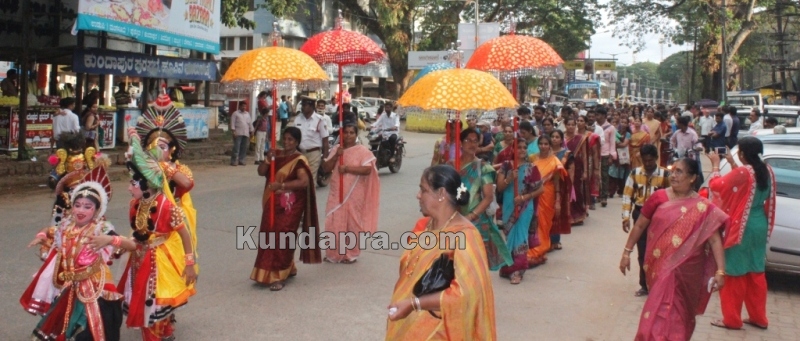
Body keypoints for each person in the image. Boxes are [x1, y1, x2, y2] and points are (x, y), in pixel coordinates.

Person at [619, 157, 727, 340]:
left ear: (692, 177)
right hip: (661, 268)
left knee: (680, 315)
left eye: (679, 172)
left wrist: (721, 271)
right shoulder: (659, 197)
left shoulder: (703, 207)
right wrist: (626, 252)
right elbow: (639, 226)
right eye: (672, 171)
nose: (673, 175)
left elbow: (715, 241)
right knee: (657, 311)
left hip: (688, 271)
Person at [386, 165, 497, 340]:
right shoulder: (422, 227)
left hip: (440, 329)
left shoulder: (465, 236)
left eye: (423, 190)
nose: (418, 195)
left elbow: (467, 293)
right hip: (407, 319)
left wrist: (415, 304)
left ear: (441, 194)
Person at [21, 167, 124, 341]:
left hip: (96, 288)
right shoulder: (66, 227)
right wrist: (41, 236)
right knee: (65, 326)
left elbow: (129, 244)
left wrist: (110, 241)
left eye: (87, 206)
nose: (80, 210)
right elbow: (50, 230)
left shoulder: (101, 229)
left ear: (97, 210)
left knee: (90, 329)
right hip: (71, 286)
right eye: (77, 205)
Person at [118, 131, 198, 341]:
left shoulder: (173, 173)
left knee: (162, 290)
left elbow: (187, 185)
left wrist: (189, 262)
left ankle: (160, 326)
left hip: (168, 234)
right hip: (144, 242)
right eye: (154, 145)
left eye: (163, 145)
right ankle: (162, 327)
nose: (157, 149)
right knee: (146, 293)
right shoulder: (136, 202)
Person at [708, 137, 777, 330]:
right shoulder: (767, 170)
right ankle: (759, 318)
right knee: (755, 271)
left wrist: (715, 166)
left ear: (742, 154)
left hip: (742, 226)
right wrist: (731, 163)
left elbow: (718, 186)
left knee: (734, 271)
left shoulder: (743, 172)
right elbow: (743, 186)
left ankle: (731, 319)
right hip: (758, 224)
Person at [252, 127, 322, 290]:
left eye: (291, 139)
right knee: (268, 234)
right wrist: (268, 160)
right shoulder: (276, 154)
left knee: (284, 235)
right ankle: (281, 268)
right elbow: (261, 172)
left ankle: (279, 276)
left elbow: (303, 182)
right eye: (285, 138)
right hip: (271, 201)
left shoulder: (299, 159)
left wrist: (281, 185)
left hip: (289, 204)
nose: (287, 142)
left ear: (297, 142)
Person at [454, 128, 513, 270]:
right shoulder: (451, 166)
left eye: (475, 141)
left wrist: (470, 216)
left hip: (477, 221)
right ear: (460, 143)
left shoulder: (483, 168)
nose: (472, 144)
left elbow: (488, 197)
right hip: (454, 218)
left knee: (475, 264)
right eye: (468, 140)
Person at [321, 124, 380, 263]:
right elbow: (326, 168)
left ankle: (350, 253)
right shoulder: (336, 149)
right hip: (337, 190)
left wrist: (347, 168)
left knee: (352, 222)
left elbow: (367, 170)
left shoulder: (362, 151)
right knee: (333, 218)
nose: (348, 135)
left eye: (351, 132)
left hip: (354, 191)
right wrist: (336, 156)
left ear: (356, 134)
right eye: (345, 132)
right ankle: (334, 253)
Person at [621, 144, 670, 297]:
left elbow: (672, 196)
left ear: (656, 158)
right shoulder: (634, 174)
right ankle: (645, 285)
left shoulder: (665, 175)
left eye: (650, 160)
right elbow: (627, 195)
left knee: (660, 251)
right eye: (645, 160)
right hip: (640, 213)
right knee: (642, 252)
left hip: (660, 216)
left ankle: (659, 283)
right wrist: (626, 217)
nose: (648, 164)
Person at [496, 139, 548, 284]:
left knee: (520, 238)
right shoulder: (506, 166)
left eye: (525, 147)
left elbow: (540, 189)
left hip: (525, 208)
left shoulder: (531, 167)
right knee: (509, 237)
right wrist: (509, 179)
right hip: (508, 207)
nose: (522, 150)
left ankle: (517, 271)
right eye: (519, 147)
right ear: (513, 149)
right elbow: (499, 188)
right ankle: (507, 267)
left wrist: (524, 197)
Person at [527, 135, 569, 267]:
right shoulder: (533, 158)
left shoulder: (554, 161)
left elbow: (556, 182)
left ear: (550, 145)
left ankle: (541, 248)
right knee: (533, 221)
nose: (543, 146)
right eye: (541, 144)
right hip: (532, 194)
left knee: (544, 222)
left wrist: (557, 200)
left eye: (546, 144)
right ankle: (534, 248)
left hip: (548, 193)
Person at [291, 96, 329, 184]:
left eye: (305, 105)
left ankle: (311, 197)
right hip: (299, 153)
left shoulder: (320, 120)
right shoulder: (298, 119)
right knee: (299, 178)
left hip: (313, 153)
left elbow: (325, 140)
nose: (302, 107)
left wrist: (325, 158)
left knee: (310, 180)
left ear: (311, 106)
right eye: (302, 104)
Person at [549, 129, 573, 248]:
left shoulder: (566, 154)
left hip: (561, 186)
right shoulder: (545, 153)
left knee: (557, 212)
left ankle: (555, 240)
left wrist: (570, 186)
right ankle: (545, 239)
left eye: (557, 137)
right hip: (547, 185)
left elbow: (570, 171)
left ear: (561, 139)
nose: (554, 139)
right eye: (552, 136)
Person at [596, 107, 618, 207]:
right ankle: (597, 194)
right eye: (596, 115)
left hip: (605, 154)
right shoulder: (594, 126)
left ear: (604, 116)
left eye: (599, 115)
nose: (597, 117)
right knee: (596, 175)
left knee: (604, 175)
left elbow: (612, 142)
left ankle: (604, 196)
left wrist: (611, 156)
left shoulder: (611, 128)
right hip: (595, 153)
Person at [230, 101, 254, 166]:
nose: (244, 107)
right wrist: (233, 131)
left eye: (245, 106)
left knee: (244, 148)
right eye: (243, 106)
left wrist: (251, 131)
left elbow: (250, 123)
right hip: (238, 133)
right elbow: (232, 123)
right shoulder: (235, 113)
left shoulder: (247, 114)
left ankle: (242, 160)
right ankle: (234, 161)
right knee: (236, 147)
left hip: (245, 133)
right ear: (239, 106)